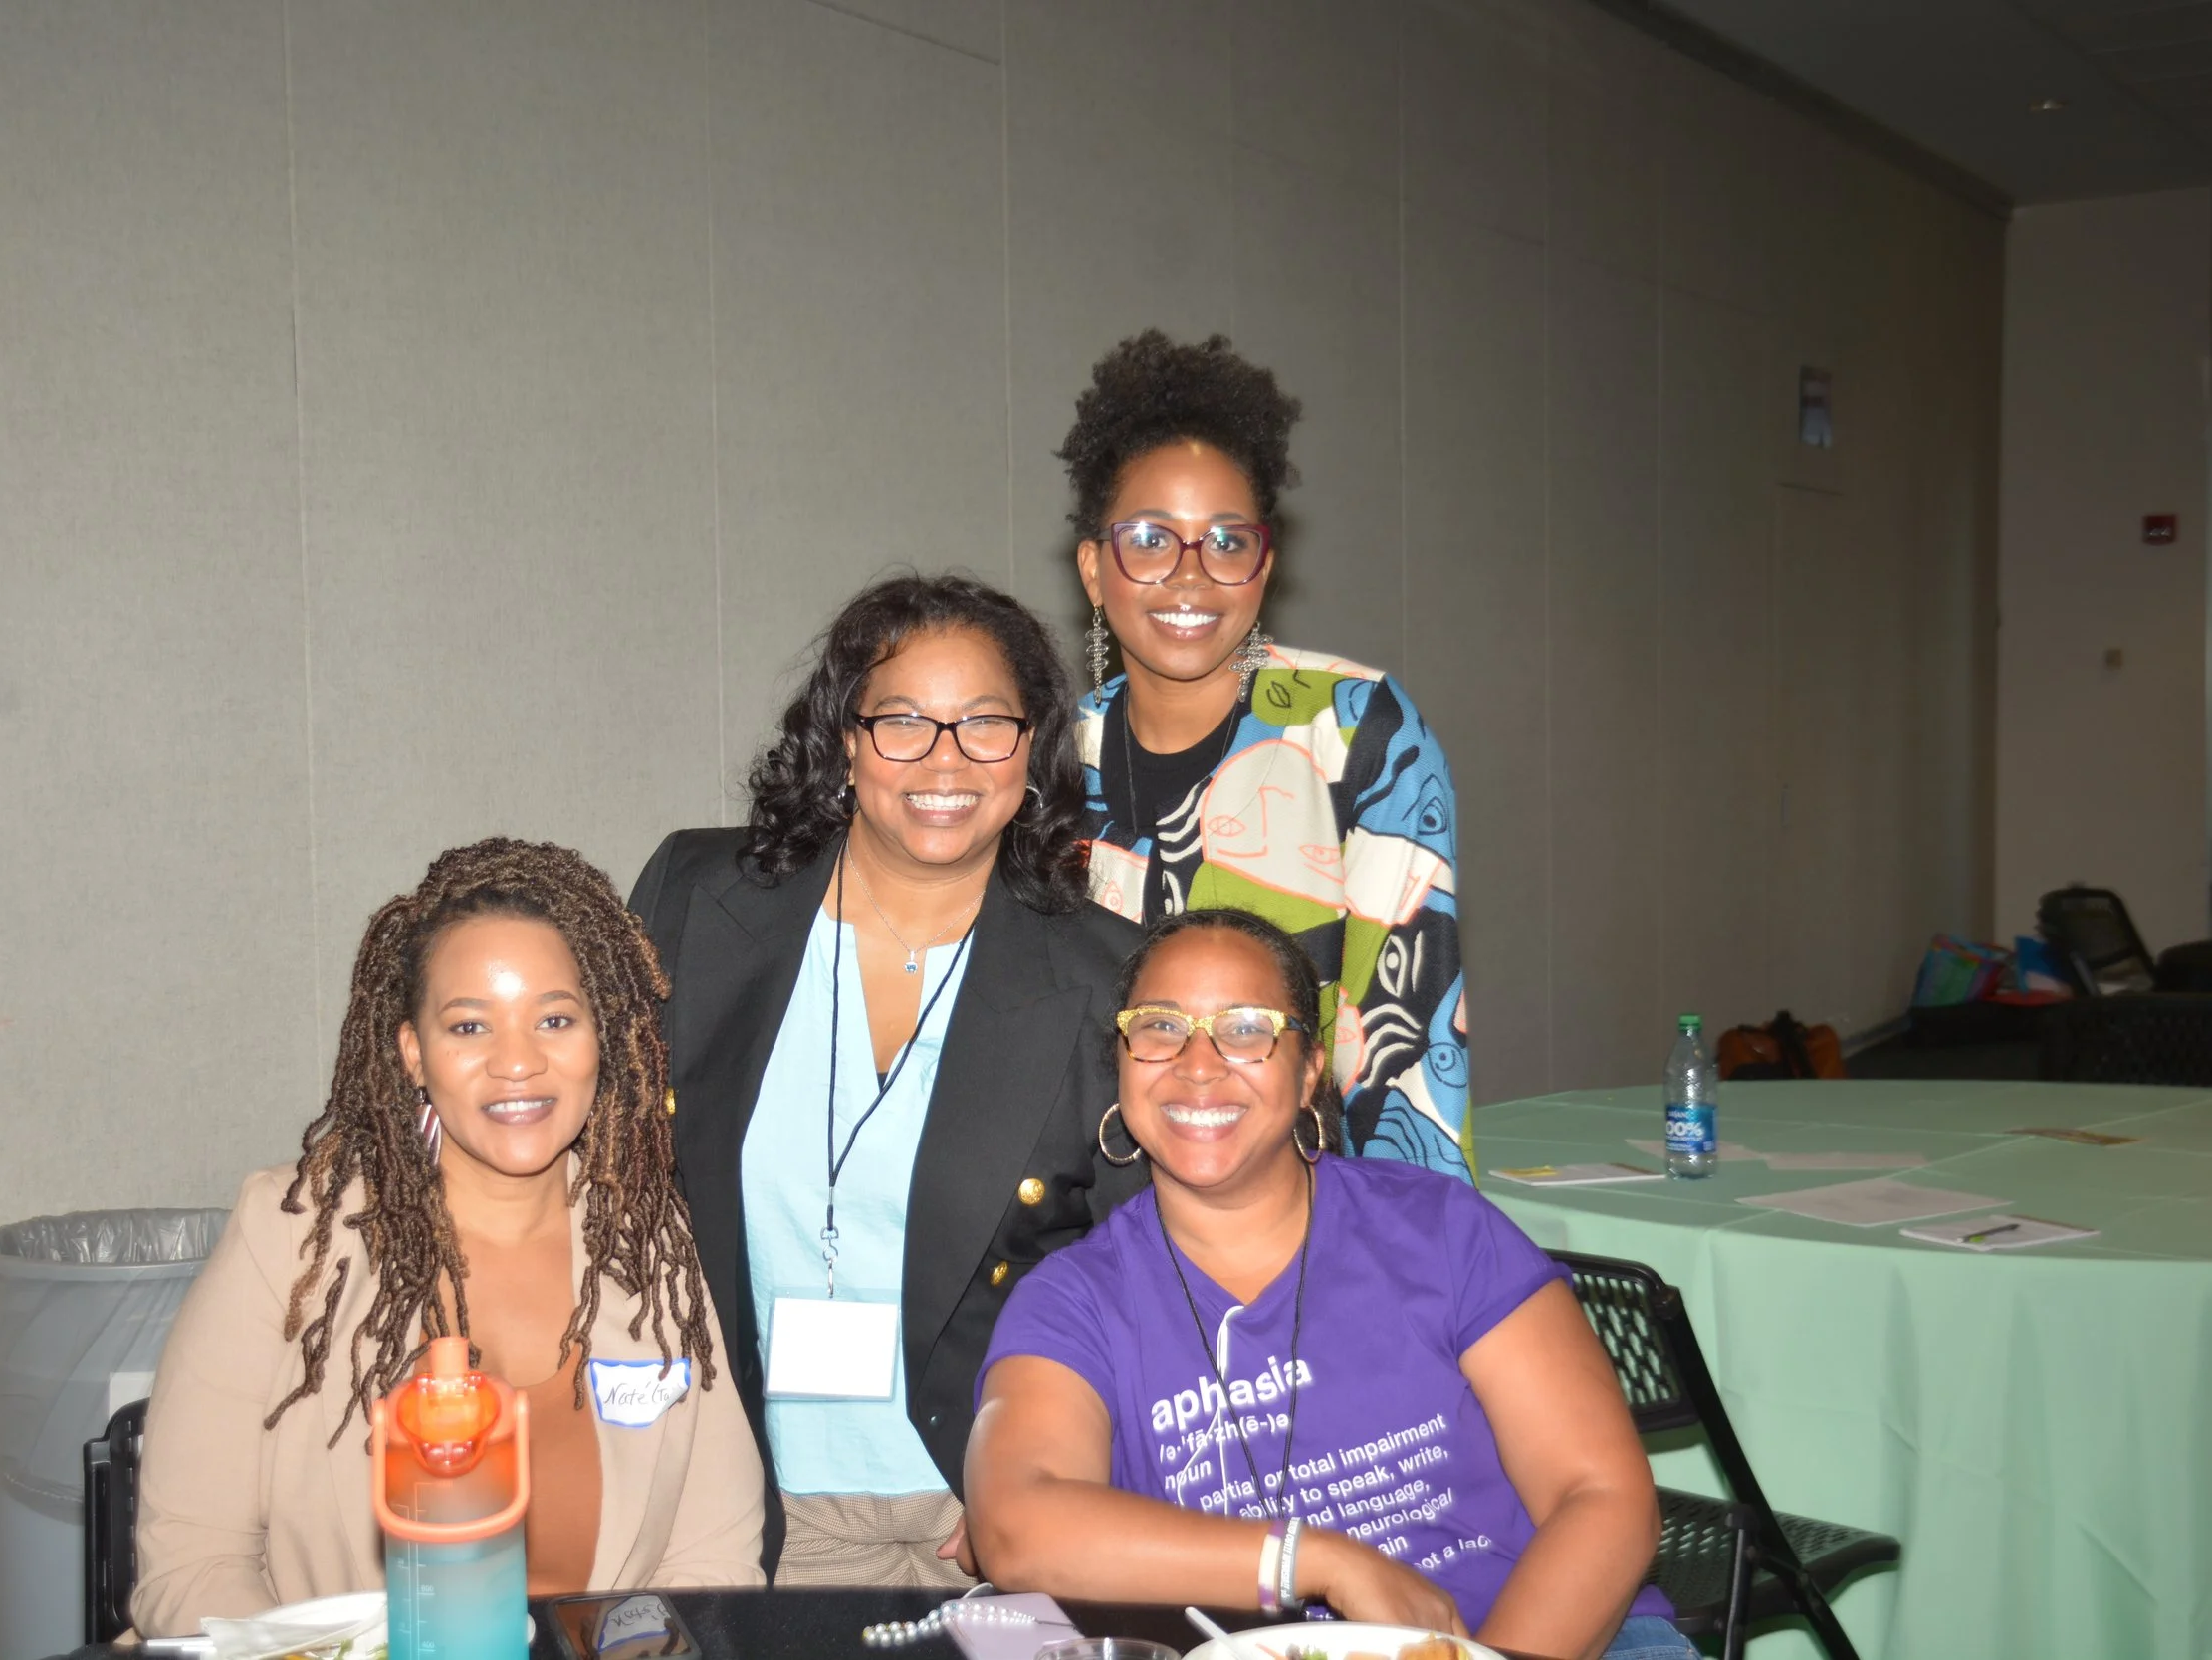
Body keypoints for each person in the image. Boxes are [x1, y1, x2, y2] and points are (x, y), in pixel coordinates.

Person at [965, 909, 1688, 1660]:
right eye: (1160, 1026)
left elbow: (1603, 1498)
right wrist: (1315, 1559)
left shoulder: (1440, 1228)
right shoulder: (1074, 1300)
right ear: (1121, 1059)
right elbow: (1015, 1523)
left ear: (1310, 1068)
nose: (1198, 1064)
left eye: (1247, 1029)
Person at [630, 573, 1142, 1589]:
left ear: (1031, 748)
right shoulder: (699, 900)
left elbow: (1144, 1266)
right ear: (845, 742)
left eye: (984, 723)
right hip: (734, 1508)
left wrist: (1061, 1474)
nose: (944, 760)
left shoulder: (1105, 976)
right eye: (903, 720)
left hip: (988, 1514)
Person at [133, 840, 763, 1636]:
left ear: (602, 1038)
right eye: (470, 1027)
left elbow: (714, 1556)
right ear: (413, 1053)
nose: (518, 1064)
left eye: (555, 1019)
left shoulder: (648, 1238)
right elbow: (192, 1563)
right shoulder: (290, 1236)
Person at [1061, 330, 1470, 1178]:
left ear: (1265, 563)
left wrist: (1398, 1266)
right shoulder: (1056, 758)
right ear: (1094, 572)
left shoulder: (1355, 733)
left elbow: (1403, 1058)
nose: (1189, 575)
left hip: (1302, 1224)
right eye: (1148, 539)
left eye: (1226, 540)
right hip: (1095, 1222)